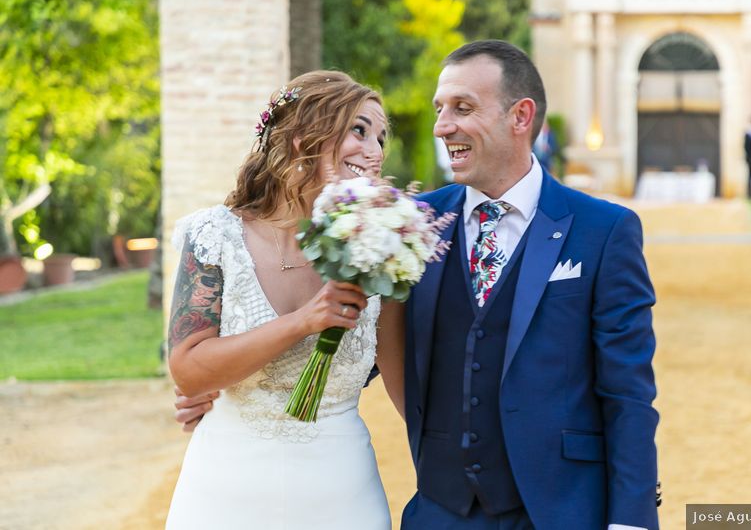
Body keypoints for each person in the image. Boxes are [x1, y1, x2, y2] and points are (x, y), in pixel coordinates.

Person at [176, 41, 659, 530]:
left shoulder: (603, 229)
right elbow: (375, 345)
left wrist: (630, 505)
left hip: (558, 508)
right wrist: (229, 386)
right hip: (442, 512)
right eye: (439, 109)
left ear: (521, 116)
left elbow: (627, 392)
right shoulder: (403, 224)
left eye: (462, 108)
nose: (441, 126)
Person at [164, 70, 398, 529]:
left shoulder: (380, 247)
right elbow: (189, 371)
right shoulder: (216, 235)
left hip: (342, 492)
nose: (375, 151)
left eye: (381, 138)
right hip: (223, 490)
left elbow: (406, 382)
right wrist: (303, 322)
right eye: (359, 129)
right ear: (300, 139)